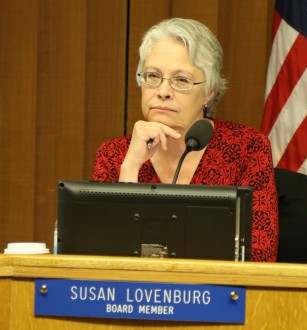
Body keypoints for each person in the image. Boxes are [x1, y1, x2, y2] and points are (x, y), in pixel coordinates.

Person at [93, 18, 279, 262]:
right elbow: (101, 257)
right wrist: (130, 170)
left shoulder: (247, 148)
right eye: (153, 76)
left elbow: (259, 255)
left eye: (181, 80)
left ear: (209, 92)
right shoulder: (115, 155)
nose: (163, 91)